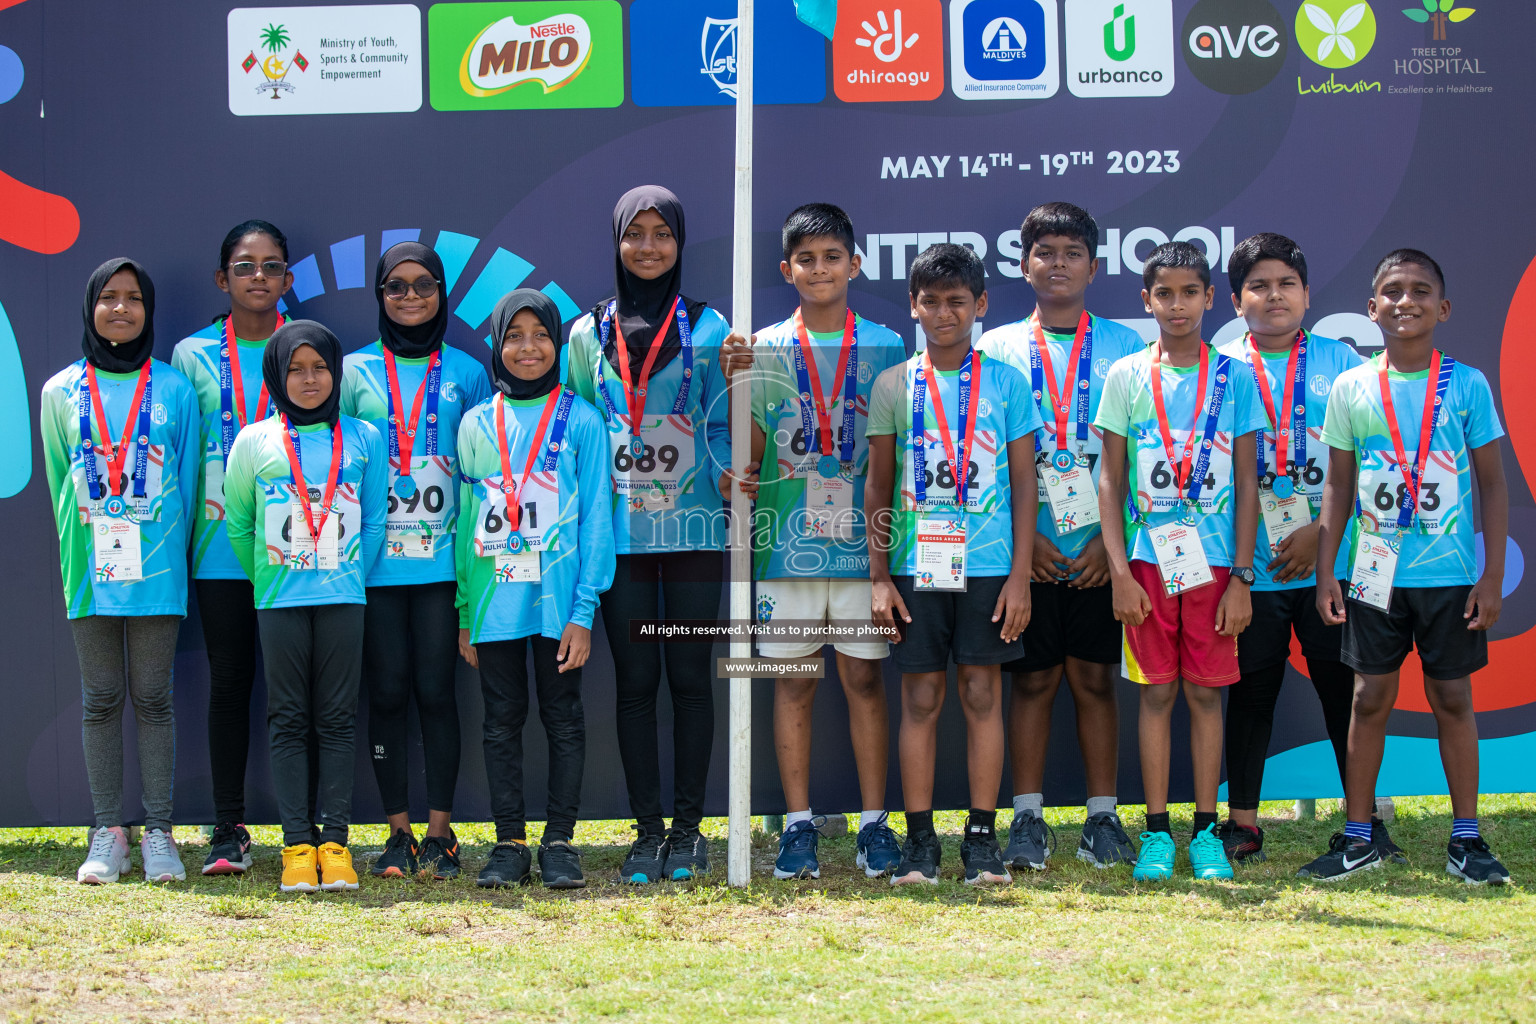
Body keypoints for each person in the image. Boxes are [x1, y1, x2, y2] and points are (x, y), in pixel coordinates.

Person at [1303, 249, 1510, 884]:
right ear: (1371, 310)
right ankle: (1359, 835)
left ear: (1442, 309)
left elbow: (1495, 487)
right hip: (1373, 572)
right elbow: (1337, 488)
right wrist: (1326, 570)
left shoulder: (1468, 384)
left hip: (1447, 575)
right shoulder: (1352, 386)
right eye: (1392, 291)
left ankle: (1467, 839)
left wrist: (1491, 575)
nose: (1405, 300)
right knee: (1368, 698)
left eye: (1421, 291)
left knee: (1452, 697)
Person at [1215, 233, 1404, 864]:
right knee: (1251, 696)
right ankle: (1243, 823)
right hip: (1253, 568)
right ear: (1237, 299)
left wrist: (1324, 535)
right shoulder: (1219, 369)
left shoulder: (1346, 364)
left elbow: (1372, 466)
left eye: (1286, 283)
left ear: (1305, 290)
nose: (1274, 296)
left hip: (1334, 564)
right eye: (1259, 286)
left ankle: (1364, 822)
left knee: (1344, 692)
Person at [732, 203, 906, 881]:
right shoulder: (766, 346)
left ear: (855, 264)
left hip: (866, 550)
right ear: (786, 269)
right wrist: (735, 379)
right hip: (786, 546)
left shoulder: (888, 345)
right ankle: (798, 827)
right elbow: (747, 457)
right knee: (793, 681)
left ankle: (873, 825)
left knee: (865, 678)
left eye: (833, 256)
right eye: (806, 258)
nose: (820, 268)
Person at [564, 186, 732, 883]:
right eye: (636, 233)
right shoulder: (583, 333)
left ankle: (690, 830)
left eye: (663, 232)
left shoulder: (714, 325)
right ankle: (645, 831)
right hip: (617, 537)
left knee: (690, 678)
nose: (650, 246)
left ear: (680, 242)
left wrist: (730, 468)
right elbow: (572, 430)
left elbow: (725, 422)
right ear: (616, 241)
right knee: (635, 681)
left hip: (694, 531)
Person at [975, 202, 1147, 872]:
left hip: (1103, 553)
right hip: (1028, 552)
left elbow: (1140, 452)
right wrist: (1024, 546)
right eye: (1044, 252)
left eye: (1072, 252)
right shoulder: (995, 349)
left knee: (1096, 681)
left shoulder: (1128, 350)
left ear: (1094, 266)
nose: (1058, 264)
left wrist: (1115, 544)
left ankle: (1102, 818)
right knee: (1033, 683)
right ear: (1024, 265)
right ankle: (1027, 817)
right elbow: (979, 456)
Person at [866, 242, 1040, 886]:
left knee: (980, 692)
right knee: (920, 696)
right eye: (932, 302)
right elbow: (876, 487)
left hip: (990, 567)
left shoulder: (1006, 383)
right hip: (916, 567)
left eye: (957, 302)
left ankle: (982, 838)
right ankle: (919, 842)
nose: (944, 314)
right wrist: (880, 576)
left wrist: (1021, 575)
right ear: (914, 306)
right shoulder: (893, 384)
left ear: (981, 306)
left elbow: (1026, 486)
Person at [1094, 241, 1264, 882]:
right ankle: (1157, 833)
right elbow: (1109, 481)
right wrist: (1116, 571)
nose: (1177, 304)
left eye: (1190, 292)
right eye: (1164, 293)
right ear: (1147, 301)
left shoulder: (1236, 376)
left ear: (1210, 299)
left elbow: (1249, 482)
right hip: (1146, 564)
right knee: (1157, 693)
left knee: (1204, 696)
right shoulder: (1127, 376)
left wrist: (1243, 578)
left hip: (1218, 565)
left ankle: (1205, 833)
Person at [42, 259, 201, 884]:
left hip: (157, 571)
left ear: (148, 310)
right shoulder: (59, 391)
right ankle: (108, 830)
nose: (121, 309)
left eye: (133, 298)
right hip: (89, 569)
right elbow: (59, 483)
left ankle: (159, 830)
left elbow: (185, 483)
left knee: (154, 697)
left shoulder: (175, 390)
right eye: (108, 297)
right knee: (101, 698)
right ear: (90, 307)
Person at [340, 242, 493, 880]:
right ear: (379, 295)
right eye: (395, 287)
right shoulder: (348, 372)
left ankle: (441, 832)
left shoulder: (466, 372)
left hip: (441, 569)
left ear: (442, 293)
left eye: (423, 285)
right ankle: (396, 831)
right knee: (388, 695)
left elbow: (489, 472)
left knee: (437, 694)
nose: (409, 297)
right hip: (371, 568)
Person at [456, 290, 614, 888]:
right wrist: (465, 611)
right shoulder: (475, 424)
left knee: (563, 717)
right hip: (494, 600)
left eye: (541, 334)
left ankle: (560, 841)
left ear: (557, 343)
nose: (528, 347)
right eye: (514, 335)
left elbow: (596, 519)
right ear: (496, 344)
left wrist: (583, 610)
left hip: (560, 605)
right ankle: (509, 842)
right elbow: (465, 526)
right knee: (500, 719)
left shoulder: (583, 419)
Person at [224, 321, 386, 892]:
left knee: (338, 719)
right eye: (296, 368)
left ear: (336, 373)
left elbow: (374, 520)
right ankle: (296, 845)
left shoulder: (364, 437)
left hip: (344, 596)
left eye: (319, 368)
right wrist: (272, 577)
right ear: (277, 374)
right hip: (278, 598)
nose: (309, 379)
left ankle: (335, 844)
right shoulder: (253, 441)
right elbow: (240, 525)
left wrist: (342, 575)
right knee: (287, 717)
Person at [171, 220, 294, 875]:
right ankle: (227, 828)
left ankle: (306, 827)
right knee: (230, 685)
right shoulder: (192, 356)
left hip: (293, 551)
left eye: (271, 267)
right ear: (223, 279)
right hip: (219, 549)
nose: (258, 278)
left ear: (288, 280)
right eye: (245, 267)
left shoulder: (303, 345)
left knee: (292, 692)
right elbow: (183, 456)